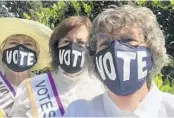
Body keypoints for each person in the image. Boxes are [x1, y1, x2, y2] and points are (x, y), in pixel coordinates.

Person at [64, 5, 174, 117]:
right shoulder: (78, 112)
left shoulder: (170, 109)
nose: (116, 49)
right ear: (94, 59)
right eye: (105, 43)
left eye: (128, 40)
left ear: (152, 50)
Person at [10, 16, 104, 117]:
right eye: (66, 41)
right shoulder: (31, 87)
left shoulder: (101, 88)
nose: (72, 48)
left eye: (80, 43)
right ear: (57, 47)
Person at [0, 18, 52, 116]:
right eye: (13, 43)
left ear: (37, 53)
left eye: (28, 44)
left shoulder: (47, 90)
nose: (20, 48)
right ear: (1, 52)